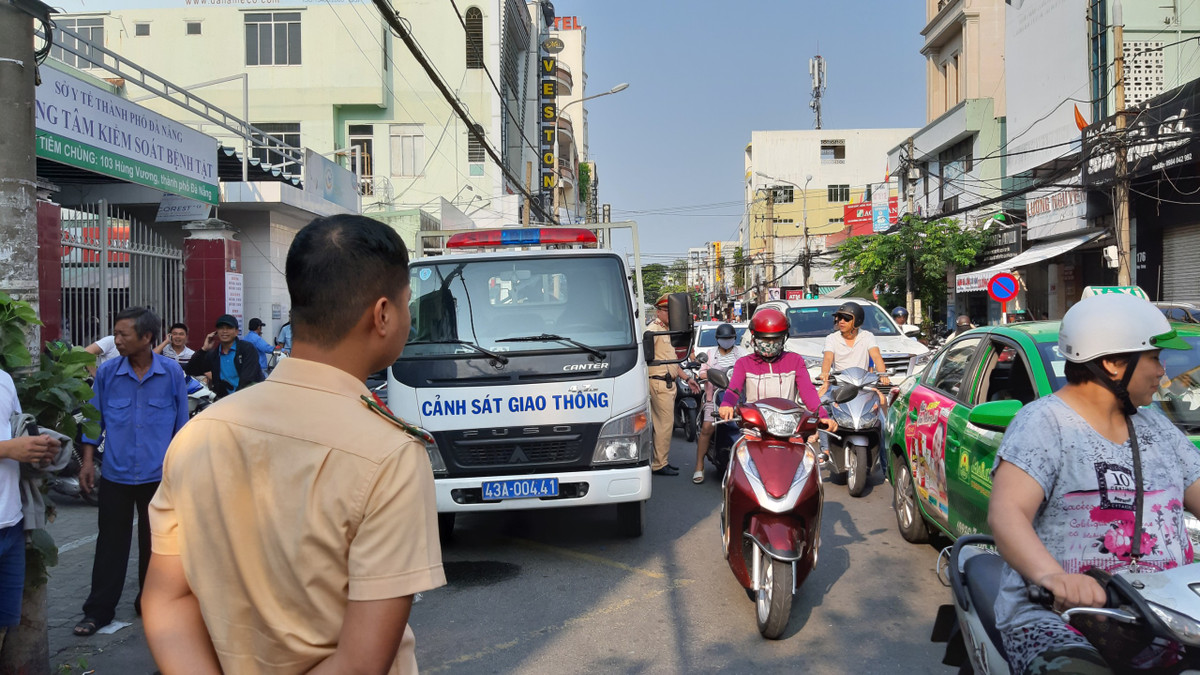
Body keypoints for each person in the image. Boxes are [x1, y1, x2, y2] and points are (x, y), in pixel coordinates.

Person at [143, 213, 445, 674]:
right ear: (383, 314)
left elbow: (167, 599)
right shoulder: (390, 455)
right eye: (407, 305)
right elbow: (362, 664)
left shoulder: (199, 435)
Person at [988, 293, 1200, 674]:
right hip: (1063, 622)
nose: (1162, 372)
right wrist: (1054, 577)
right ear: (1113, 363)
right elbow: (1007, 514)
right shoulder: (1044, 424)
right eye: (1153, 358)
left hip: (1166, 616)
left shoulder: (1155, 425)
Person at [73, 307, 189, 637]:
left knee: (155, 545)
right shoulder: (108, 373)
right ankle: (98, 611)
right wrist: (86, 462)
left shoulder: (171, 374)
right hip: (116, 475)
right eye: (116, 333)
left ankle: (149, 603)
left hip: (158, 477)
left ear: (147, 337)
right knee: (110, 544)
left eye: (123, 334)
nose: (117, 340)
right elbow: (94, 422)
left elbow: (182, 428)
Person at [0, 368, 61, 647]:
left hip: (10, 524)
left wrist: (40, 451)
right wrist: (6, 449)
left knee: (3, 628)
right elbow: (8, 446)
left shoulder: (4, 379)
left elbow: (15, 435)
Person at [717, 308, 837, 435]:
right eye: (765, 339)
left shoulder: (795, 361)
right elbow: (733, 390)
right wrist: (726, 404)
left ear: (784, 338)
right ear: (754, 337)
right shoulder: (743, 364)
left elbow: (808, 392)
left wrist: (823, 415)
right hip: (754, 430)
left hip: (789, 430)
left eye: (776, 339)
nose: (771, 343)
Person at [645, 294, 699, 476]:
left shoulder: (666, 331)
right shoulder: (653, 330)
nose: (673, 316)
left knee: (663, 424)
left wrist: (686, 377)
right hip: (660, 383)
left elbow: (672, 362)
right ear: (659, 311)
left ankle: (660, 460)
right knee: (664, 425)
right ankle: (659, 463)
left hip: (668, 382)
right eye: (670, 312)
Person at [693, 323, 748, 484]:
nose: (727, 341)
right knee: (707, 428)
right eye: (724, 339)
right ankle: (699, 466)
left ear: (734, 339)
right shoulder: (710, 354)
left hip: (739, 398)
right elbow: (702, 371)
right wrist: (707, 375)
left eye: (730, 338)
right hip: (715, 396)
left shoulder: (743, 354)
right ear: (718, 339)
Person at [817, 301, 890, 397]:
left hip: (863, 385)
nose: (841, 321)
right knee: (821, 404)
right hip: (840, 385)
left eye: (846, 319)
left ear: (857, 321)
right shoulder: (831, 338)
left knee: (882, 401)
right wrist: (825, 374)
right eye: (839, 318)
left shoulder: (867, 336)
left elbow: (876, 356)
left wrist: (883, 375)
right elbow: (828, 358)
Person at [184, 315, 265, 398]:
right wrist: (204, 349)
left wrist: (235, 400)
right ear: (216, 332)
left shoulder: (247, 348)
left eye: (229, 328)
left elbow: (247, 378)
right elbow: (191, 370)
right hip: (224, 401)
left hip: (247, 398)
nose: (224, 331)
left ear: (236, 331)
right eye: (221, 328)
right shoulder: (214, 355)